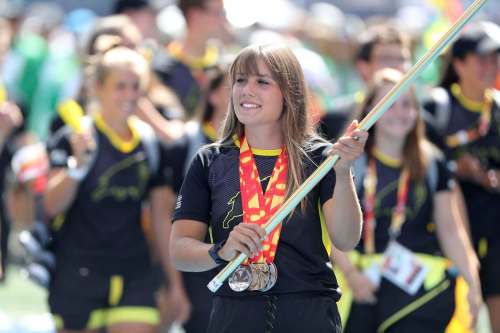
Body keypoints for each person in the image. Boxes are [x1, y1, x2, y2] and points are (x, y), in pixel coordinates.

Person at [170, 44, 368, 333]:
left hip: (308, 313)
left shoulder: (320, 159)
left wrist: (342, 171)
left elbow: (346, 239)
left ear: (290, 93)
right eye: (240, 80)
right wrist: (221, 251)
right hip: (235, 315)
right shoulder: (210, 160)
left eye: (262, 82)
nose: (246, 90)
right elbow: (179, 250)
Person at [43, 46, 189, 332]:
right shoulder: (72, 137)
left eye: (136, 87)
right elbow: (51, 205)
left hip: (134, 272)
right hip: (77, 274)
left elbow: (162, 218)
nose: (129, 95)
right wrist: (78, 166)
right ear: (98, 87)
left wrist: (175, 284)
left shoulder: (149, 143)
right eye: (119, 86)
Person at [333, 68, 482, 333]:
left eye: (407, 105)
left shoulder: (432, 161)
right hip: (360, 282)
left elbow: (451, 229)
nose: (400, 113)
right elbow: (332, 227)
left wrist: (473, 282)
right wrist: (352, 275)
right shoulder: (350, 160)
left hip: (416, 290)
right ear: (370, 111)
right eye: (389, 105)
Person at [422, 20, 500, 333]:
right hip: (446, 231)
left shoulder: (497, 108)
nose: (490, 66)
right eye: (482, 58)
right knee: (458, 319)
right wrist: (457, 169)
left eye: (495, 58)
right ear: (459, 63)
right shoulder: (436, 106)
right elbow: (422, 164)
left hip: (494, 233)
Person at [153, 0, 227, 117]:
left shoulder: (224, 64)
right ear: (195, 15)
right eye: (218, 13)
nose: (223, 20)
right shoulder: (160, 66)